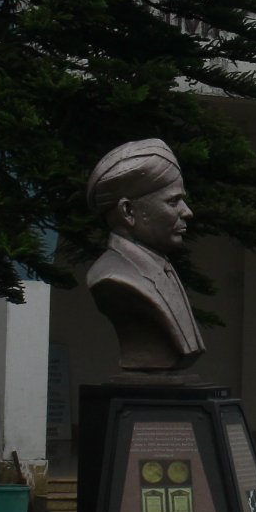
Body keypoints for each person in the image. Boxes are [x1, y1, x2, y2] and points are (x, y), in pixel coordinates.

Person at [84, 139, 205, 372]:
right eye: (173, 201)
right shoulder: (111, 278)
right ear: (128, 211)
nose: (187, 212)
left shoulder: (163, 267)